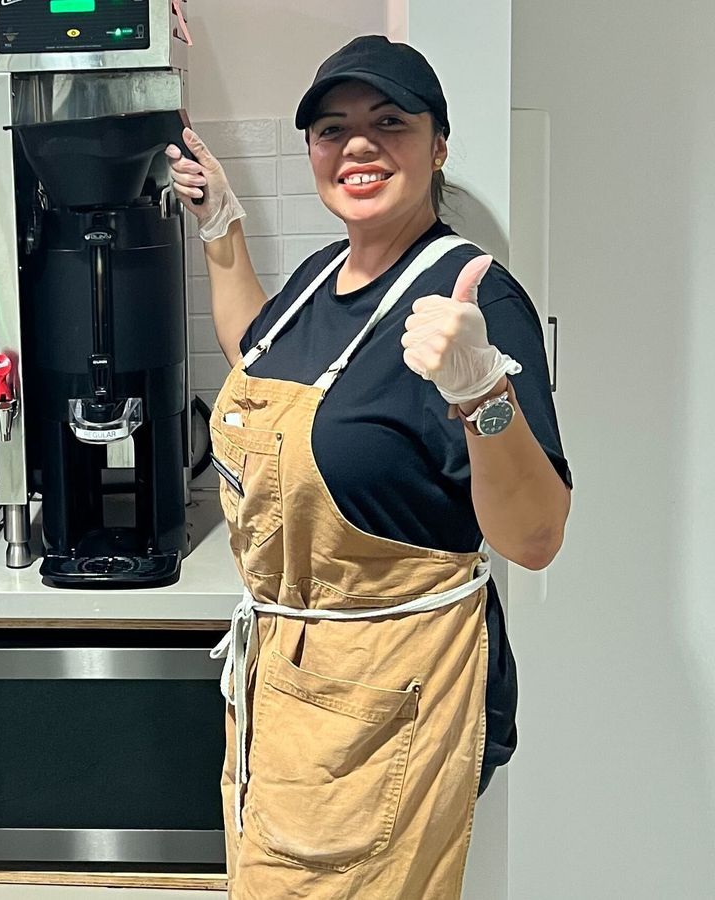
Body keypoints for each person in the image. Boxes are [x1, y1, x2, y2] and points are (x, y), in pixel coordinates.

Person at [166, 35, 572, 898]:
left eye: (390, 123)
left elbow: (535, 538)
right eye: (332, 128)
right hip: (287, 687)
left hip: (387, 705)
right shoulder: (323, 276)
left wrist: (482, 392)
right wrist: (221, 227)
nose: (358, 145)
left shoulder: (472, 299)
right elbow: (256, 360)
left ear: (438, 146)